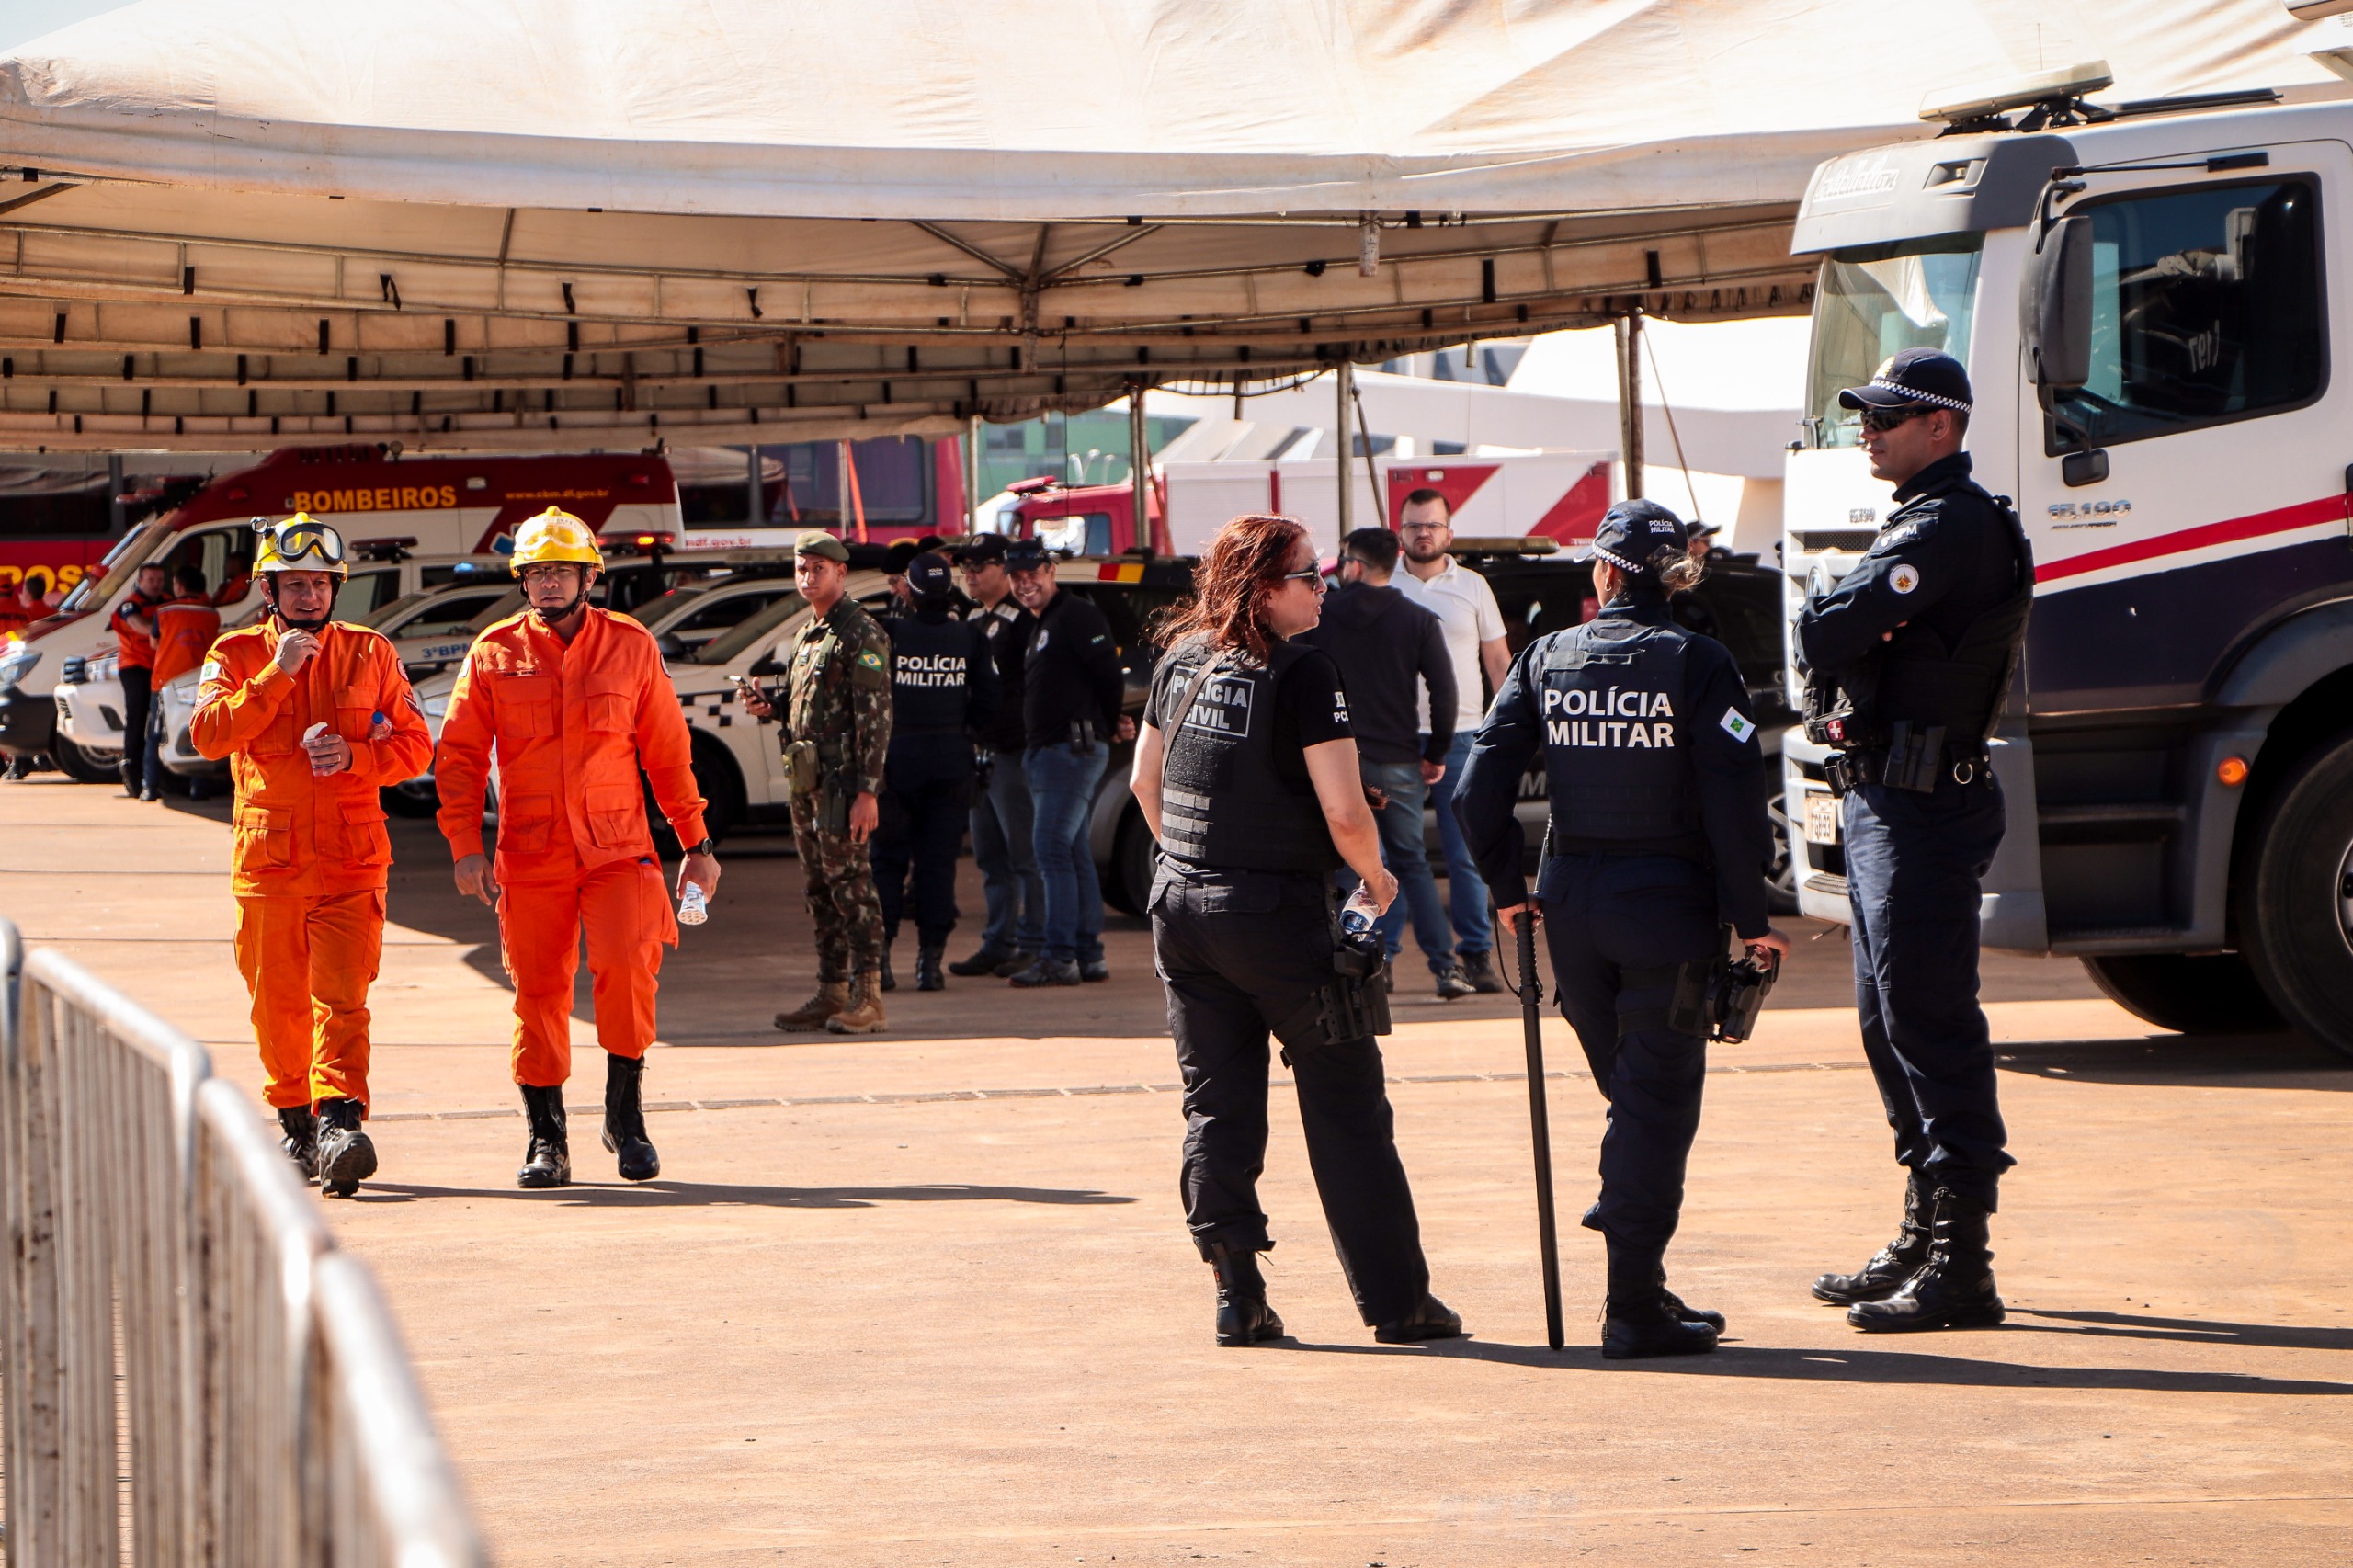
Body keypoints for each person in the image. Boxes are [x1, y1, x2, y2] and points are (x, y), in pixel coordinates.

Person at [1455, 499, 1790, 1358]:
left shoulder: (1545, 656)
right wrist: (1753, 919)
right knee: (1654, 1105)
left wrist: (1506, 888)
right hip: (1665, 910)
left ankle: (1641, 1279)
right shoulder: (1699, 662)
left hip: (1573, 908)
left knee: (1633, 1097)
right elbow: (1734, 802)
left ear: (1605, 573)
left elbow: (1474, 790)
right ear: (1676, 577)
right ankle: (1632, 1304)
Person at [1131, 512, 1461, 1348]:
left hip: (1183, 912)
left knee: (1217, 1105)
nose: (1324, 587)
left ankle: (1237, 1295)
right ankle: (1399, 1304)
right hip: (1278, 920)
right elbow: (1346, 812)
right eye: (1309, 575)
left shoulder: (1181, 658)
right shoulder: (1305, 673)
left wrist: (1193, 862)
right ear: (1261, 589)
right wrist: (1378, 879)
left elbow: (1144, 784)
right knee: (1348, 1106)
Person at [1796, 348, 2032, 1333]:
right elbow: (1841, 632)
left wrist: (1836, 615)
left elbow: (1825, 630)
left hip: (1924, 803)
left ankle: (1962, 1263)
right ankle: (1923, 1228)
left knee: (1928, 1022)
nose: (1869, 429)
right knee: (1885, 1020)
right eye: (1865, 415)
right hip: (1885, 798)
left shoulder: (1947, 525)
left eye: (1887, 416)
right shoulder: (1919, 520)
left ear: (1941, 425)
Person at [436, 507, 720, 1189]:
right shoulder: (494, 652)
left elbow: (668, 753)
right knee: (539, 992)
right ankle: (547, 1138)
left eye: (562, 570)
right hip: (531, 854)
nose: (549, 583)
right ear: (522, 580)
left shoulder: (631, 646)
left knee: (628, 970)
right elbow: (460, 756)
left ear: (589, 577)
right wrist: (464, 845)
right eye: (537, 572)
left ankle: (627, 1120)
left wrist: (697, 843)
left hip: (619, 851)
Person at [191, 515, 432, 1198]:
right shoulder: (235, 653)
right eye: (295, 584)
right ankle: (297, 1125)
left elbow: (417, 746)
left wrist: (357, 756)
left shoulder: (370, 652)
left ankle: (340, 1123)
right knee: (279, 1007)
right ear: (269, 590)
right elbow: (207, 736)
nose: (309, 596)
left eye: (321, 584)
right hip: (270, 867)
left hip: (352, 862)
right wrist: (277, 675)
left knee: (344, 1000)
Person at [1299, 527, 1467, 998]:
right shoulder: (1418, 619)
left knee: (1350, 865)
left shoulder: (1323, 616)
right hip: (1398, 758)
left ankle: (1364, 963)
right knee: (1412, 863)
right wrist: (1436, 752)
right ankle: (1446, 968)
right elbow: (1445, 691)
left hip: (1335, 759)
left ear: (1353, 565)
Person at [751, 530, 894, 1034]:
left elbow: (875, 718)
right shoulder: (807, 634)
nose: (808, 577)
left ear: (840, 572)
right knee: (818, 887)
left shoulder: (861, 632)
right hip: (807, 780)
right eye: (802, 568)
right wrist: (771, 709)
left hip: (842, 783)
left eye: (818, 569)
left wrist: (867, 791)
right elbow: (810, 710)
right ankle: (832, 989)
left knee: (851, 885)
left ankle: (869, 996)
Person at [1392, 490, 1511, 993]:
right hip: (1394, 739)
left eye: (1433, 525)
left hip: (1463, 735)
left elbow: (1498, 662)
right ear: (1399, 532)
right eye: (1414, 525)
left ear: (1449, 533)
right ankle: (1382, 957)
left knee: (1464, 853)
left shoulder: (1474, 586)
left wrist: (1506, 726)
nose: (1424, 533)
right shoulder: (1382, 584)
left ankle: (1476, 954)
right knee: (1393, 856)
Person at [1004, 538, 1131, 987]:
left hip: (1070, 753)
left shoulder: (1076, 614)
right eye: (1017, 578)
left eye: (1033, 575)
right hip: (1051, 753)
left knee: (1051, 850)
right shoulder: (1042, 621)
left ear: (1051, 572)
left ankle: (1059, 957)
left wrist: (1110, 721)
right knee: (1071, 852)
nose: (1025, 584)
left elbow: (1108, 674)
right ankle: (1088, 955)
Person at [870, 551, 998, 991]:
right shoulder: (969, 637)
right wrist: (964, 732)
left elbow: (868, 695)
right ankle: (930, 964)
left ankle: (881, 962)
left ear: (910, 590)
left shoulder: (890, 633)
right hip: (951, 761)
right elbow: (988, 700)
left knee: (887, 861)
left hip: (897, 761)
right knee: (937, 865)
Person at [949, 534, 1044, 977]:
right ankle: (998, 942)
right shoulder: (971, 619)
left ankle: (1035, 943)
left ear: (1004, 570)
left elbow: (1030, 686)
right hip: (979, 751)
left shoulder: (1022, 620)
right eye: (965, 567)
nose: (970, 574)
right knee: (989, 856)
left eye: (979, 566)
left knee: (1024, 854)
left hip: (1013, 750)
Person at [145, 564, 222, 798]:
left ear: (178, 586)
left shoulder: (164, 611)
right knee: (200, 732)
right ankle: (198, 787)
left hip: (166, 680)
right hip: (199, 681)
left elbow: (154, 642)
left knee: (156, 733)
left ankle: (150, 786)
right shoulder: (211, 614)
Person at [110, 560, 170, 798]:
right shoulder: (130, 605)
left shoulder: (168, 601)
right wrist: (166, 628)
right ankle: (132, 769)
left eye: (159, 580)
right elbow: (140, 626)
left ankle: (159, 772)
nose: (156, 584)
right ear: (140, 581)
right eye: (151, 580)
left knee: (160, 721)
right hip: (135, 666)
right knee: (137, 718)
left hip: (161, 667)